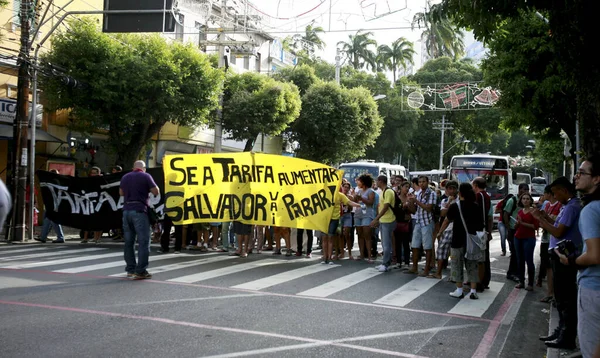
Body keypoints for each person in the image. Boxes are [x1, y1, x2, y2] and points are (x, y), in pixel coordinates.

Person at [533, 177, 582, 350]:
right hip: (559, 255)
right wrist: (545, 216)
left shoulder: (572, 207)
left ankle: (566, 336)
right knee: (561, 298)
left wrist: (541, 221)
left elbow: (559, 231)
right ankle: (560, 331)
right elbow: (558, 224)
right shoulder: (568, 206)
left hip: (564, 258)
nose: (554, 196)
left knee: (565, 298)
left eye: (555, 193)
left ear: (563, 190)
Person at [570, 155, 600, 358]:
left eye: (582, 172)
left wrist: (572, 260)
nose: (576, 176)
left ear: (596, 178)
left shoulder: (591, 210)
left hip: (593, 288)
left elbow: (594, 255)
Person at [119, 160, 159, 280]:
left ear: (133, 168)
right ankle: (141, 271)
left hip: (126, 211)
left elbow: (121, 192)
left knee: (129, 242)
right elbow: (155, 191)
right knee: (143, 242)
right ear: (144, 168)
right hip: (140, 210)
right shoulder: (146, 176)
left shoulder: (125, 176)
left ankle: (130, 269)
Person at [445, 182, 484, 299]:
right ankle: (473, 291)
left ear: (460, 192)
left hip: (457, 240)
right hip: (472, 241)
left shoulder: (455, 206)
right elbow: (481, 224)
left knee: (456, 265)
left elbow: (448, 219)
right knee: (472, 265)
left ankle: (459, 290)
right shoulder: (476, 206)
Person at [513, 192, 539, 291]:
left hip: (529, 238)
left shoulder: (533, 211)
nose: (525, 200)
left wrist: (522, 223)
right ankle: (521, 281)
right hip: (518, 237)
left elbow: (535, 227)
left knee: (529, 260)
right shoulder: (520, 212)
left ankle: (531, 283)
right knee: (520, 260)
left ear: (530, 200)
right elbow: (516, 226)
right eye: (523, 198)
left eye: (527, 199)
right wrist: (517, 224)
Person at [371, 175, 396, 272]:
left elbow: (386, 207)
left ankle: (386, 264)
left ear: (381, 181)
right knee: (384, 243)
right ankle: (385, 262)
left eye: (377, 181)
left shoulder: (388, 192)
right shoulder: (383, 192)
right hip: (383, 220)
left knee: (386, 244)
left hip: (388, 220)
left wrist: (376, 219)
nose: (376, 183)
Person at [35, 169, 65, 243]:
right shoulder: (53, 182)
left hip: (54, 205)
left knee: (52, 220)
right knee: (48, 220)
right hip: (51, 204)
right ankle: (43, 237)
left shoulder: (55, 182)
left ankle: (59, 237)